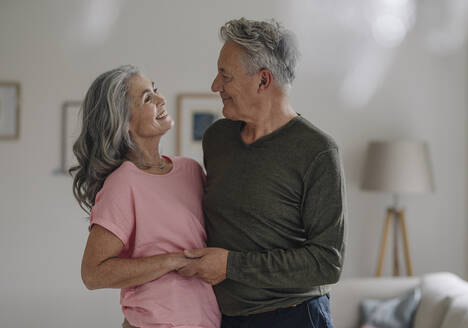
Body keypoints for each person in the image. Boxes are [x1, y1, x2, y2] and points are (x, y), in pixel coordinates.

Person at [178, 18, 346, 328]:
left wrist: (231, 266)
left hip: (296, 316)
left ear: (263, 81)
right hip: (225, 318)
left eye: (225, 76)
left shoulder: (317, 151)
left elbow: (327, 262)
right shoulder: (217, 138)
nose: (215, 86)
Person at [71, 65, 221, 328]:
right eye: (147, 98)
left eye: (155, 90)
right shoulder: (122, 183)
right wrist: (172, 260)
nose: (162, 100)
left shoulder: (191, 170)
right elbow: (92, 274)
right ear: (123, 122)